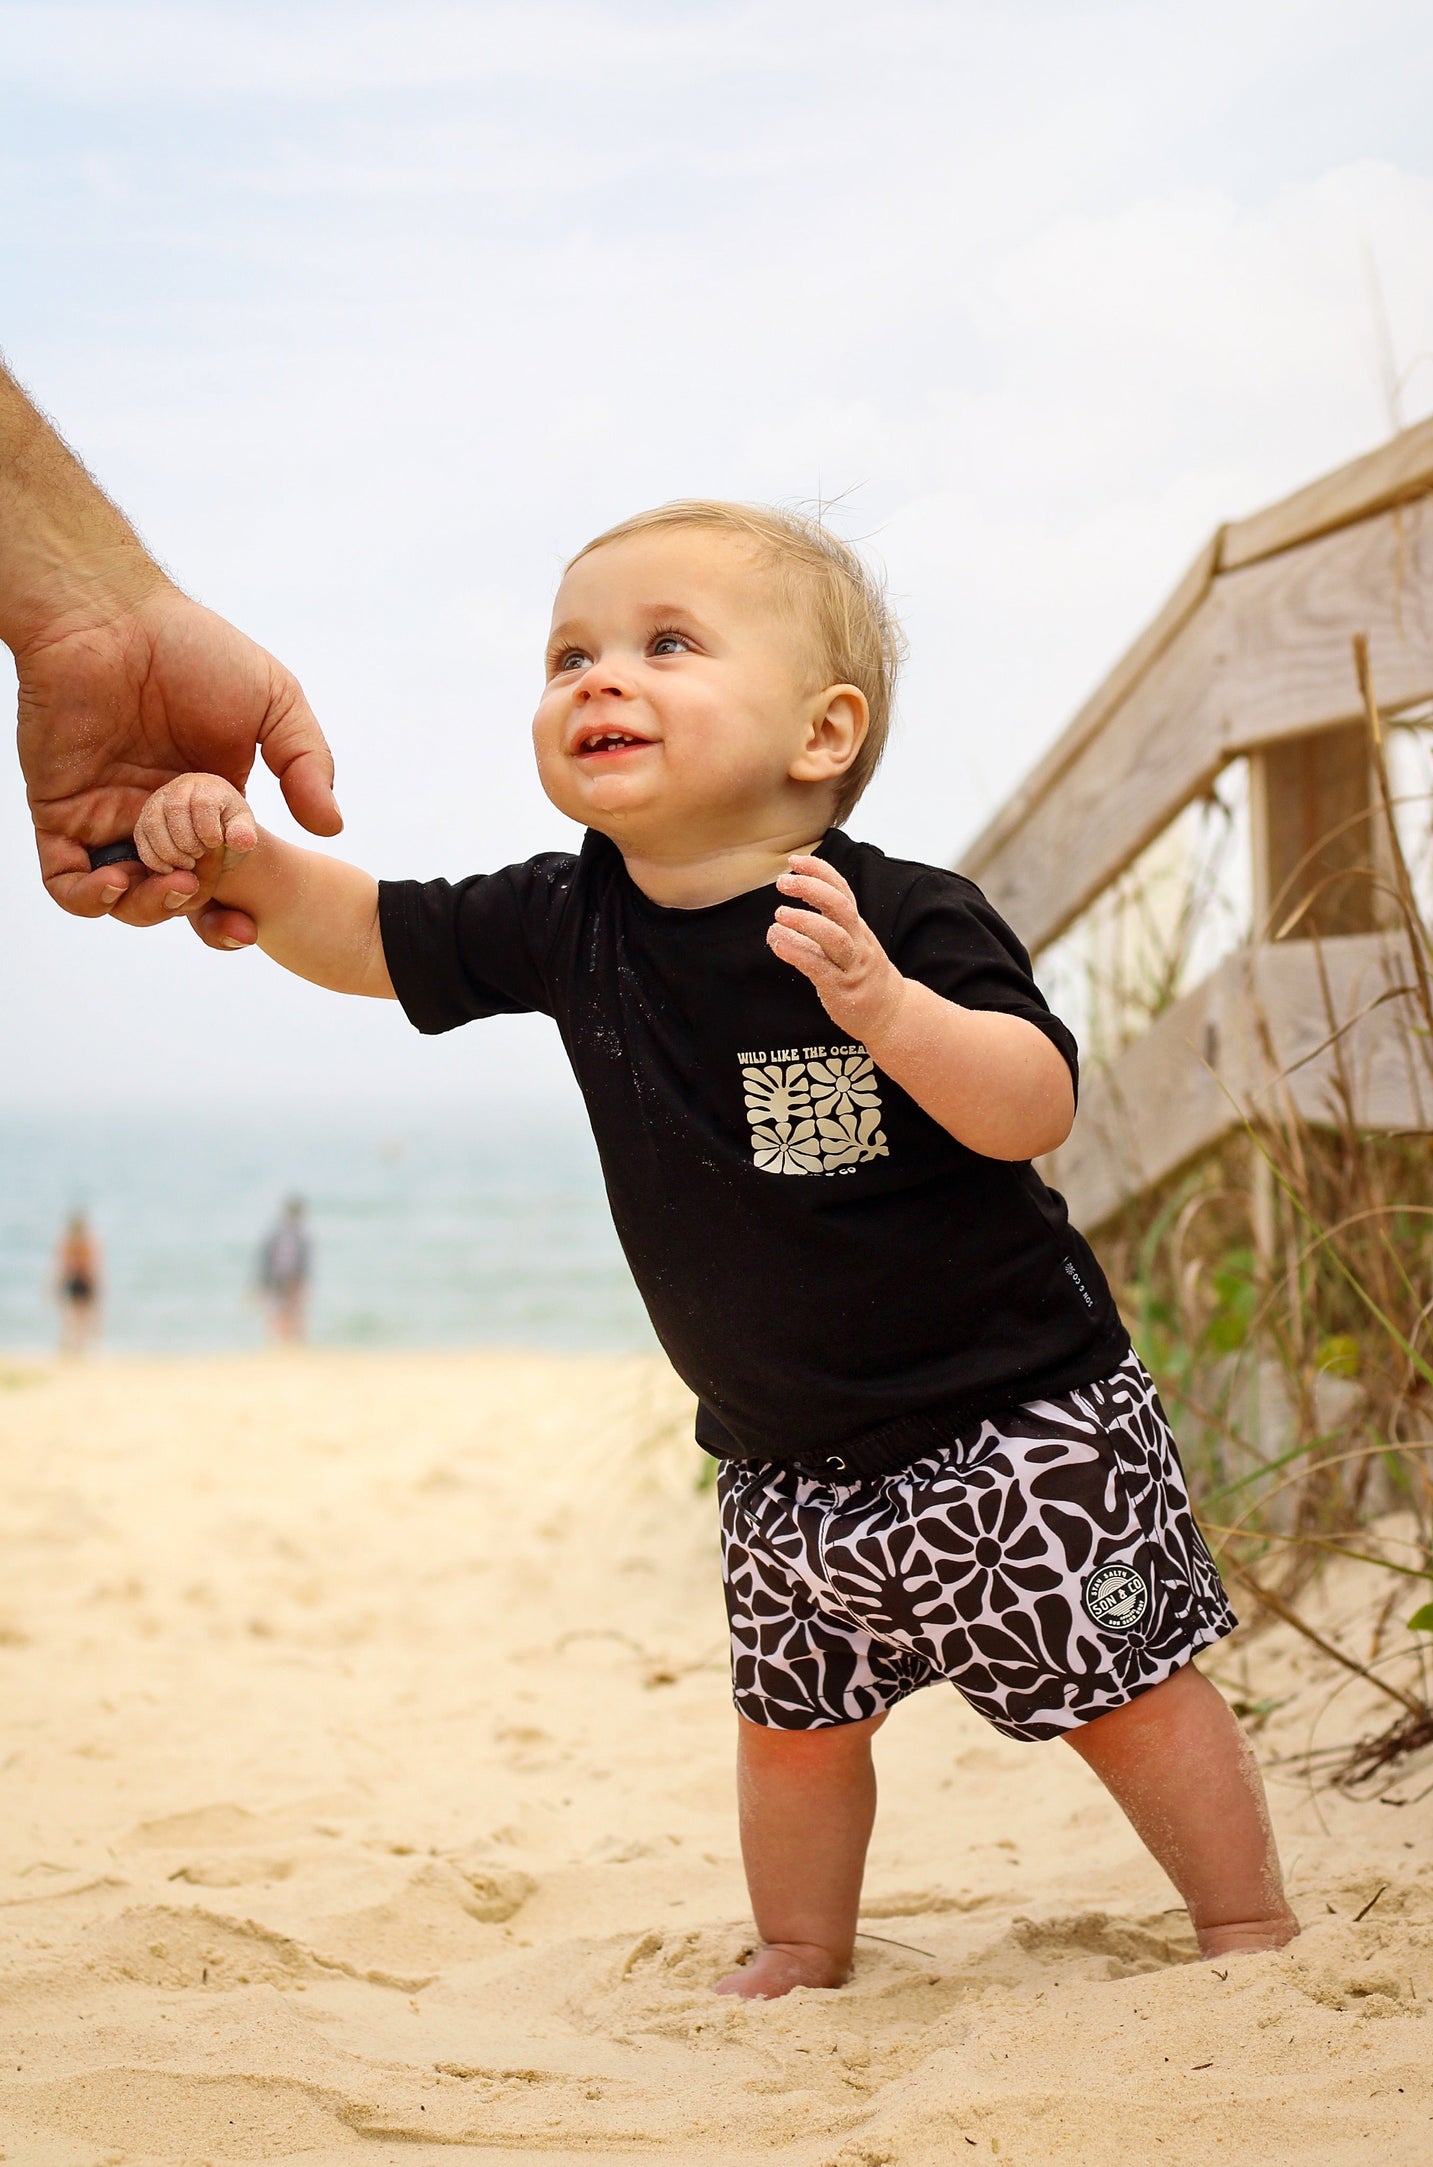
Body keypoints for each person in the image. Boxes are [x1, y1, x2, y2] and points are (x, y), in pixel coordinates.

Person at [127, 499, 1300, 1998]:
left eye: (664, 643)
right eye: (570, 653)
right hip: (780, 1457)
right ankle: (802, 1943)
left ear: (823, 732)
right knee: (794, 1730)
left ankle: (1244, 1926)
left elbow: (1032, 1103)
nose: (597, 678)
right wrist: (242, 856)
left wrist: (892, 1013)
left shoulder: (893, 914)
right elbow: (366, 931)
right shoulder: (571, 917)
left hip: (1012, 1418)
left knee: (1127, 1690)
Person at [0, 359, 340, 944]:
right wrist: (218, 834)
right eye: (559, 659)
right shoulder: (526, 909)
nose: (562, 683)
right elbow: (363, 931)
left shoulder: (543, 911)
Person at [256, 1197, 311, 1344]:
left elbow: (266, 1257)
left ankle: (281, 1340)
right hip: (291, 1277)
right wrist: (303, 1281)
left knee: (280, 1308)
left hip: (278, 1277)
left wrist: (264, 1280)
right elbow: (304, 1260)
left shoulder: (277, 1233)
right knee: (293, 1309)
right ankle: (292, 1340)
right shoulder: (299, 1235)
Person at [53, 1209, 102, 1356]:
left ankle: (75, 1346)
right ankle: (79, 1346)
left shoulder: (72, 1243)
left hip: (77, 1280)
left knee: (75, 1316)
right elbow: (93, 1266)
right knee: (80, 1316)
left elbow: (64, 1266)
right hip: (82, 1280)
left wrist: (58, 1283)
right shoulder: (85, 1243)